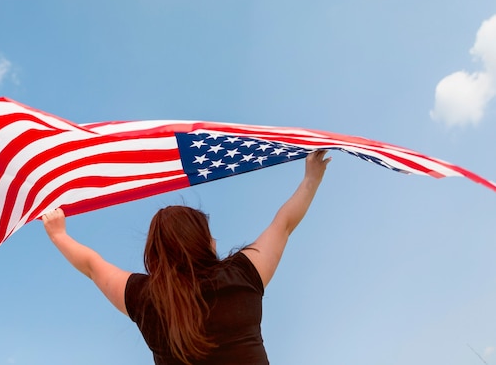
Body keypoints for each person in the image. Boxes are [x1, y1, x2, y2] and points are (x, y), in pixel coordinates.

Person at [42, 149, 330, 364]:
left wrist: (59, 235)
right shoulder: (241, 275)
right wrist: (311, 178)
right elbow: (284, 224)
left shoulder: (147, 298)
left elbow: (93, 266)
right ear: (203, 240)